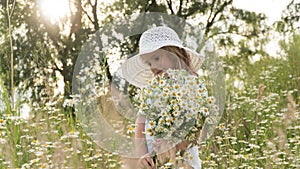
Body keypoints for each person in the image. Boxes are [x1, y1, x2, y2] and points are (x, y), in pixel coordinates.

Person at [121, 26, 205, 169]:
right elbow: (140, 124)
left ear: (175, 53)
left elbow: (195, 130)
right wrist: (143, 156)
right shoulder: (152, 90)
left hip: (182, 162)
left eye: (157, 58)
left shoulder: (192, 85)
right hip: (153, 162)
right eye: (148, 63)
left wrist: (171, 147)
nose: (153, 66)